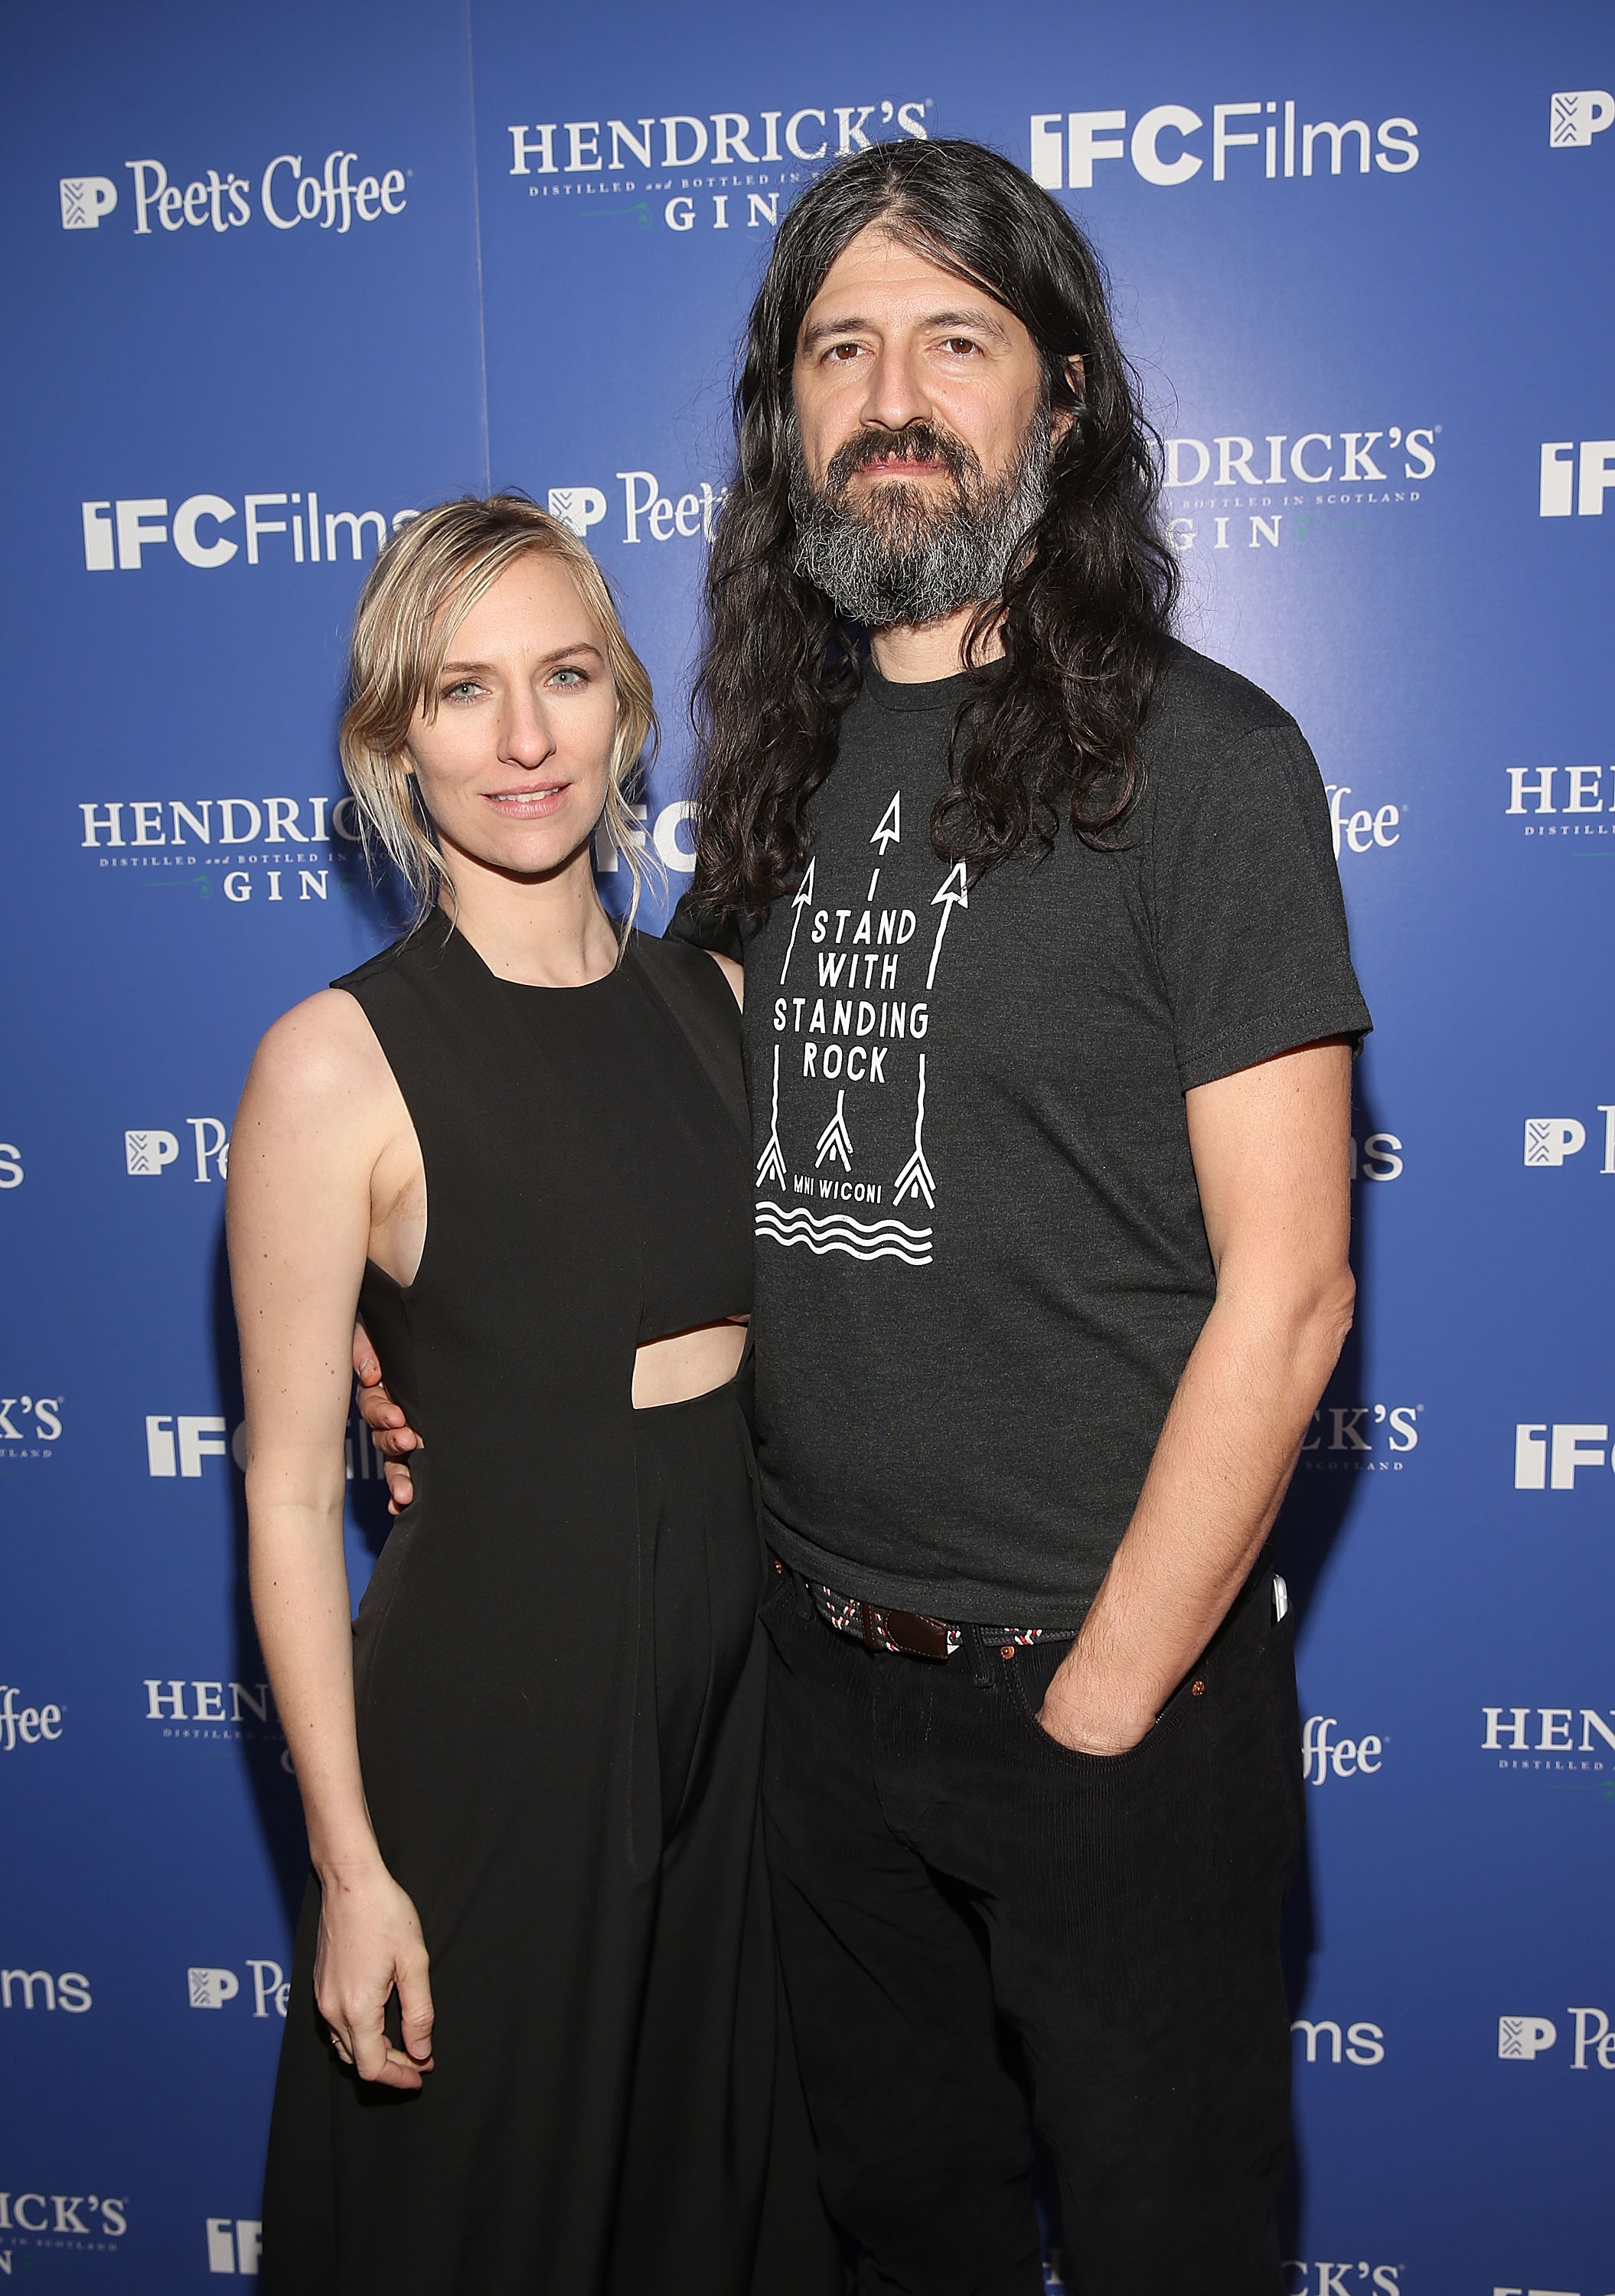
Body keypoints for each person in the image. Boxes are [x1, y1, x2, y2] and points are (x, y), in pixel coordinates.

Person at [365, 141, 1372, 2294]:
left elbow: (1288, 1295)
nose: (889, 394)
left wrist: (1091, 1705)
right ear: (786, 416)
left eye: (951, 342)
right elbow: (641, 1140)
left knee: (1160, 2253)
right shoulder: (783, 773)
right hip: (807, 1703)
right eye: (840, 349)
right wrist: (428, 1325)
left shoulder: (1206, 765)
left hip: (1107, 1704)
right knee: (887, 2250)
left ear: (1061, 400)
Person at [228, 495, 832, 2295]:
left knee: (709, 2217)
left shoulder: (722, 1002)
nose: (520, 738)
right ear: (389, 742)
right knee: (483, 2220)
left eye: (562, 676)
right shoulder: (333, 1062)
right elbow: (277, 1493)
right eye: (460, 689)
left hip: (747, 1719)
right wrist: (348, 1872)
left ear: (625, 708)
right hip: (498, 1719)